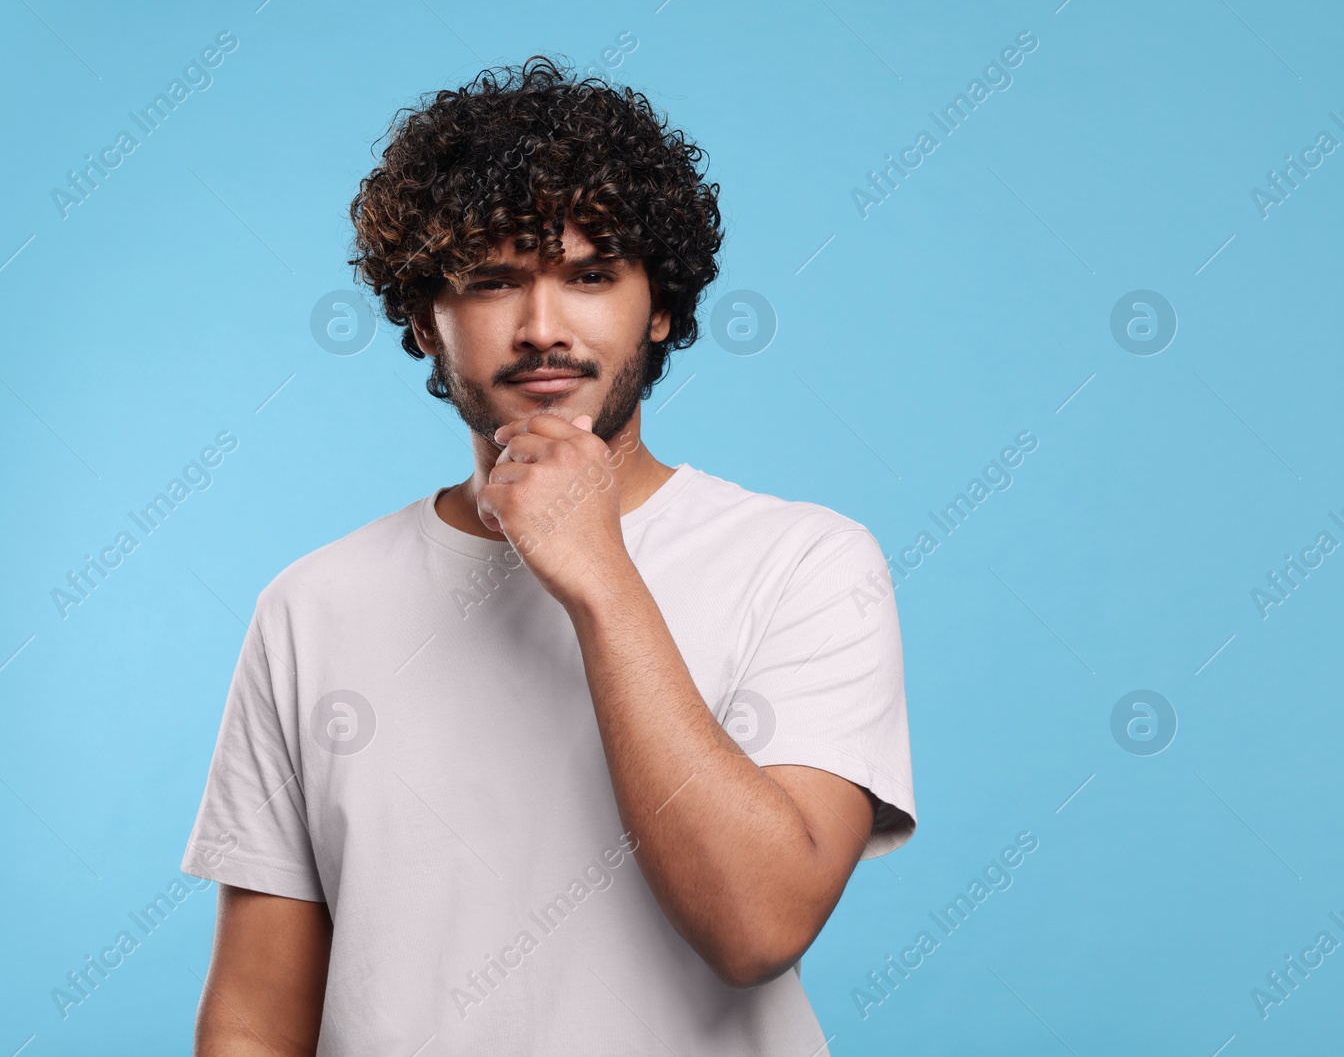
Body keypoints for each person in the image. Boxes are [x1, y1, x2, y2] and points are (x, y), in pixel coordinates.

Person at [181, 54, 915, 1056]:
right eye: (491, 281)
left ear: (658, 307)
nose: (541, 328)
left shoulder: (806, 563)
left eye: (590, 275)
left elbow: (758, 924)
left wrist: (598, 572)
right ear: (422, 319)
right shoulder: (312, 605)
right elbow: (255, 1017)